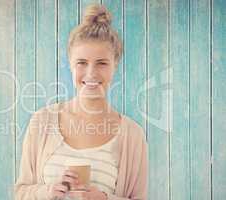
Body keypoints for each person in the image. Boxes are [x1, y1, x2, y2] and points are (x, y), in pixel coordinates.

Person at [14, 3, 148, 200]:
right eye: (82, 63)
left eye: (101, 63)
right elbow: (20, 192)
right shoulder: (42, 121)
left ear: (115, 65)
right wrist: (48, 191)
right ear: (70, 64)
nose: (91, 73)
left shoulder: (132, 136)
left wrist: (103, 198)